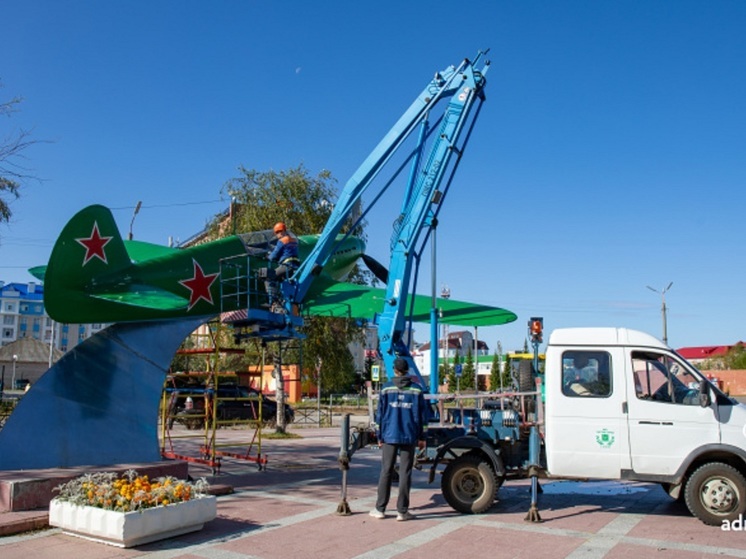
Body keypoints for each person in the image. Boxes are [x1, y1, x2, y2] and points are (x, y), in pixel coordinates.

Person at [370, 357, 427, 522]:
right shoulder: (416, 390)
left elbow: (380, 414)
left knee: (386, 471)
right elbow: (422, 417)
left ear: (394, 370)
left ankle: (380, 509)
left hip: (389, 435)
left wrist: (379, 436)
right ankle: (402, 511)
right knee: (405, 473)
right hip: (409, 436)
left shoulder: (386, 389)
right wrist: (422, 437)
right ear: (407, 370)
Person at [264, 222, 300, 307]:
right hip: (295, 267)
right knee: (279, 279)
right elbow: (287, 252)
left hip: (287, 266)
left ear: (280, 231)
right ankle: (280, 300)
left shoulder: (282, 241)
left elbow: (274, 255)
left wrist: (268, 256)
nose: (277, 235)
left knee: (269, 277)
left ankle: (272, 301)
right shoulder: (293, 240)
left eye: (277, 233)